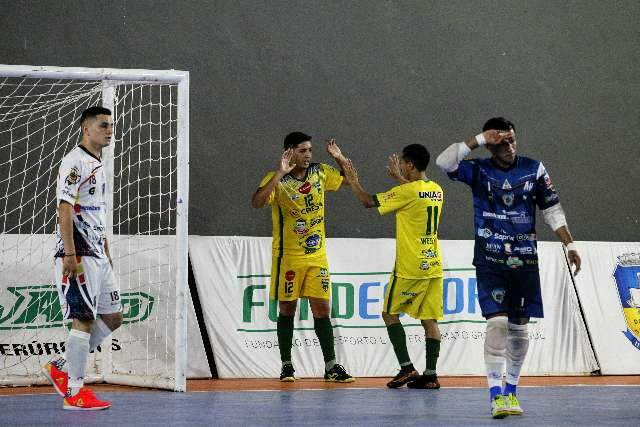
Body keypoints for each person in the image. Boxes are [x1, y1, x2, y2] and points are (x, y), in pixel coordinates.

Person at [435, 117, 581, 418]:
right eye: (502, 141)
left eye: (513, 139)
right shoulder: (478, 170)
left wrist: (570, 244)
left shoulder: (534, 169)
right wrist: (477, 138)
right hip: (490, 259)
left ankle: (511, 391)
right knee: (497, 323)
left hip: (525, 261)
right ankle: (494, 394)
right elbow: (444, 162)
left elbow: (551, 209)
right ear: (492, 144)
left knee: (519, 330)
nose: (510, 146)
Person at [251, 132, 355, 383]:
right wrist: (278, 173)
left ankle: (331, 366)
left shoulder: (320, 172)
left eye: (309, 150)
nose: (308, 155)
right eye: (302, 151)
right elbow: (257, 202)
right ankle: (287, 365)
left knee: (322, 309)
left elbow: (351, 180)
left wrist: (340, 158)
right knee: (287, 309)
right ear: (289, 152)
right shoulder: (277, 179)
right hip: (288, 257)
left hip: (317, 256)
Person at [342, 144, 444, 390]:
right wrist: (400, 179)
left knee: (389, 313)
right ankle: (431, 375)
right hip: (433, 263)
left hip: (411, 266)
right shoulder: (436, 189)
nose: (400, 167)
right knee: (430, 320)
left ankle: (407, 368)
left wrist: (354, 181)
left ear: (410, 164)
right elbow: (414, 194)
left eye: (402, 164)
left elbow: (368, 202)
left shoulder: (408, 192)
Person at [42, 106, 123, 410]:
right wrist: (70, 252)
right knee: (83, 319)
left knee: (113, 317)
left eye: (111, 126)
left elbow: (94, 210)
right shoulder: (75, 162)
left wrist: (107, 248)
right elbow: (64, 207)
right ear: (86, 130)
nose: (109, 130)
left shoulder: (97, 163)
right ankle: (74, 392)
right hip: (79, 251)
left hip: (98, 252)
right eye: (103, 126)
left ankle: (61, 365)